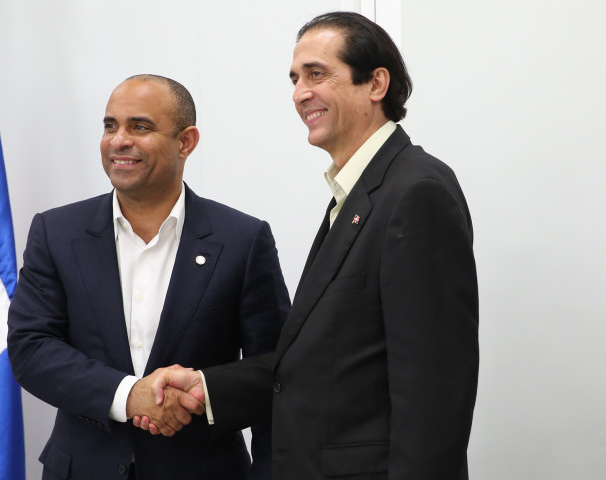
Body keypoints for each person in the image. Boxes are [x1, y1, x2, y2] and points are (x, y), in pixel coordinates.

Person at [144, 12, 479, 480]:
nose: (300, 93)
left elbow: (434, 395)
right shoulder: (358, 192)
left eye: (317, 74)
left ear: (376, 83)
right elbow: (323, 363)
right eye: (295, 79)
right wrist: (207, 387)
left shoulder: (416, 192)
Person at [7, 74, 290, 480]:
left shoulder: (242, 240)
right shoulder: (56, 232)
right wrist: (128, 395)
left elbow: (275, 371)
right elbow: (31, 347)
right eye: (110, 126)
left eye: (140, 127)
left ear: (186, 141)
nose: (119, 140)